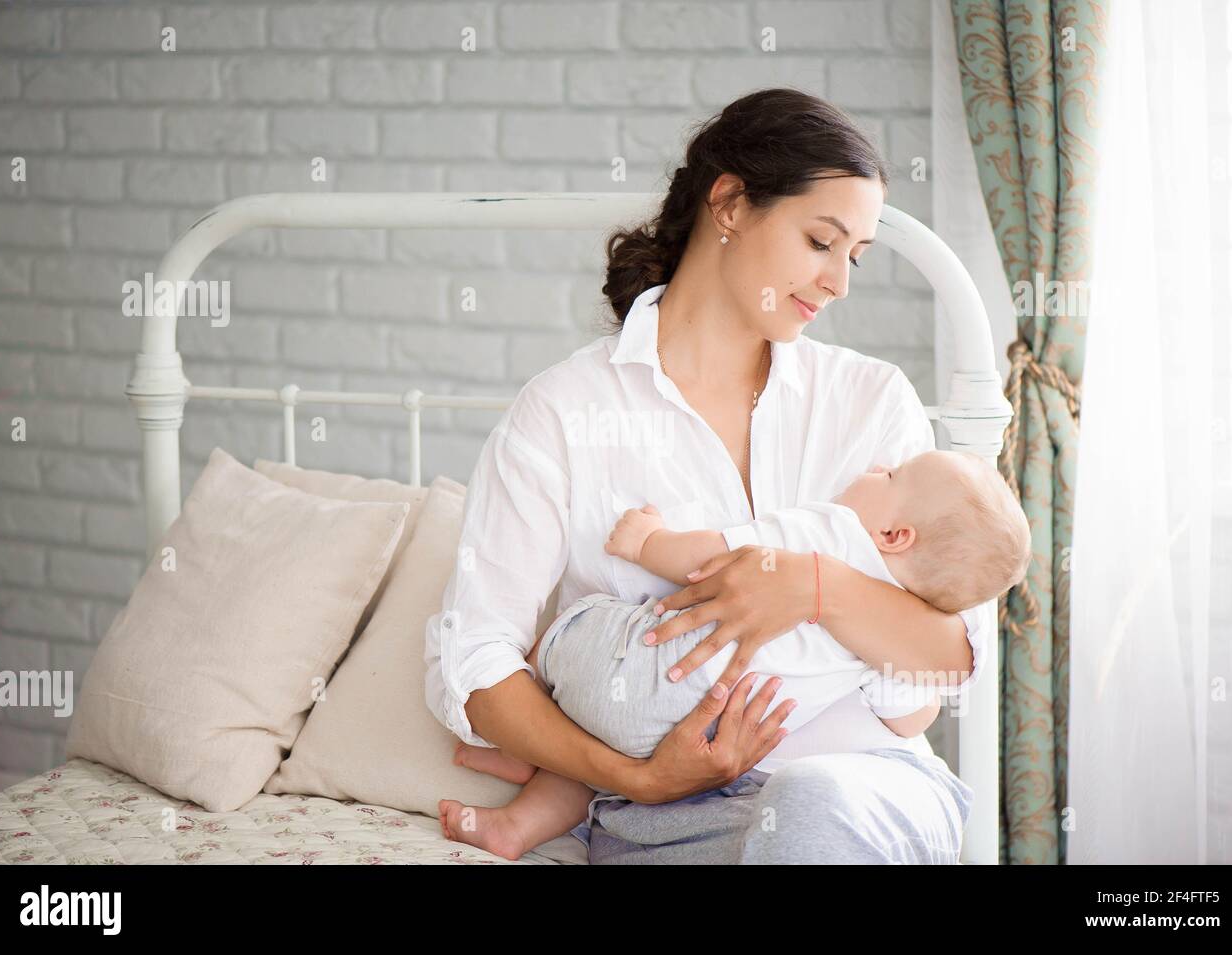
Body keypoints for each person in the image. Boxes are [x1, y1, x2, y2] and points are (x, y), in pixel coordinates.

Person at [423, 87, 989, 864]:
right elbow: (475, 658)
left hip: (864, 785)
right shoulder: (563, 412)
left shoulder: (871, 403)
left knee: (808, 809)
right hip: (670, 808)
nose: (839, 283)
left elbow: (945, 664)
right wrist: (637, 776)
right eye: (821, 241)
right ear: (729, 203)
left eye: (854, 255)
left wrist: (812, 586)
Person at [436, 449, 1031, 860]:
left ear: (896, 535)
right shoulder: (901, 611)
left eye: (892, 473)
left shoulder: (836, 531)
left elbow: (716, 557)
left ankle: (530, 769)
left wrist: (649, 542)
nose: (878, 467)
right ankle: (530, 797)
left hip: (655, 685)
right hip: (696, 740)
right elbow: (910, 714)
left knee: (574, 630)